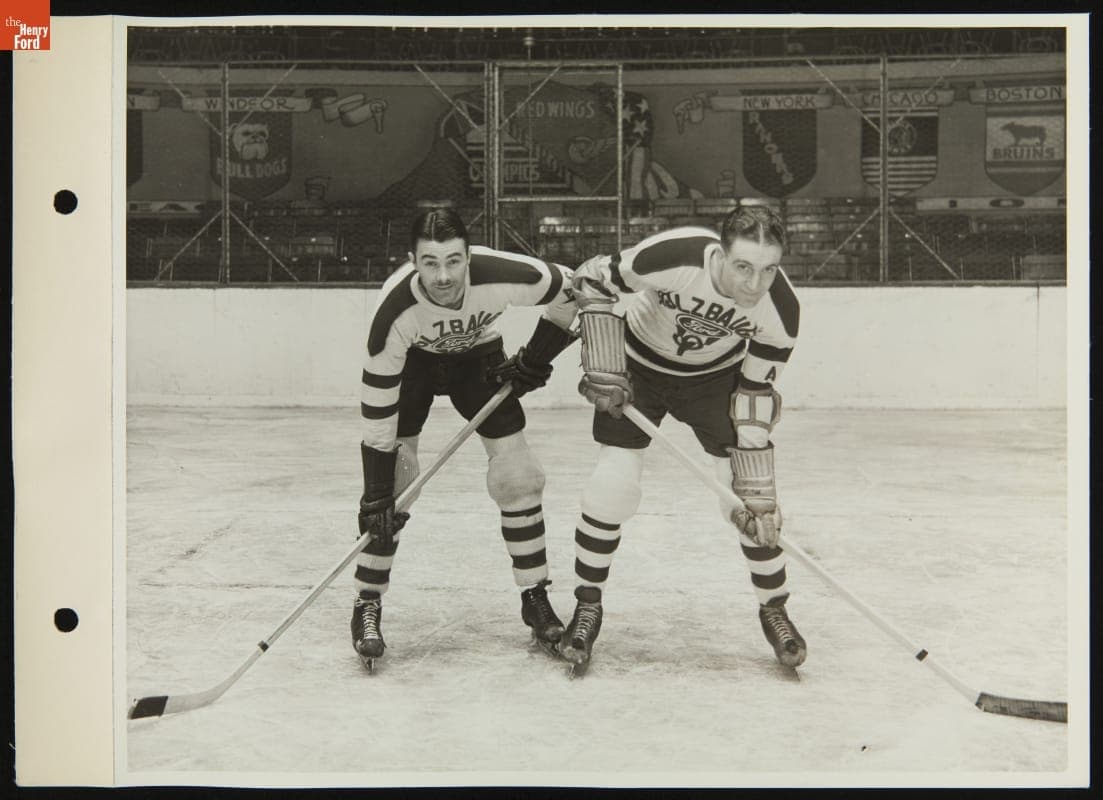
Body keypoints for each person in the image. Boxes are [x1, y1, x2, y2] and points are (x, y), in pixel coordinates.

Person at [559, 201, 805, 674]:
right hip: (640, 369)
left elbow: (754, 395)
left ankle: (774, 608)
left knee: (748, 498)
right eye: (743, 267)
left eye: (769, 270)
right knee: (613, 485)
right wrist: (602, 355)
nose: (755, 285)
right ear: (720, 254)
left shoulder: (781, 312)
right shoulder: (674, 255)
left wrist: (755, 484)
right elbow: (593, 279)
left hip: (714, 380)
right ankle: (587, 605)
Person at [352, 207, 578, 670]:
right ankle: (367, 602)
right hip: (413, 365)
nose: (443, 276)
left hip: (477, 359)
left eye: (454, 261)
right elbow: (376, 412)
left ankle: (534, 596)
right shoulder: (393, 313)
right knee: (397, 483)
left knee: (520, 475)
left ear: (470, 257)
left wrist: (537, 354)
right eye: (430, 262)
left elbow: (577, 287)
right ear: (412, 261)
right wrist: (376, 493)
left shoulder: (505, 275)